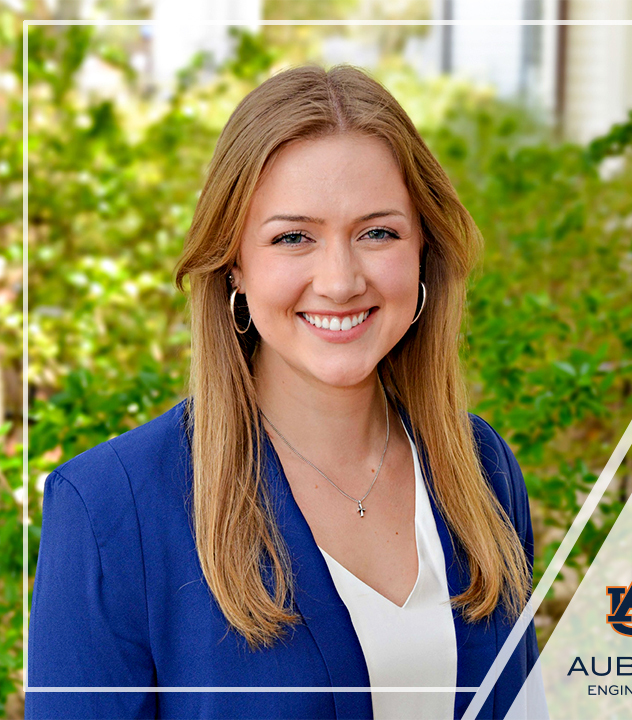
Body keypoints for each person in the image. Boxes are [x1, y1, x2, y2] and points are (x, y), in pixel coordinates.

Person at [28, 66, 540, 719]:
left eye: (377, 232)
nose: (339, 280)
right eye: (293, 237)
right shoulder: (110, 510)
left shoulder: (481, 468)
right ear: (235, 262)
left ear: (423, 251)